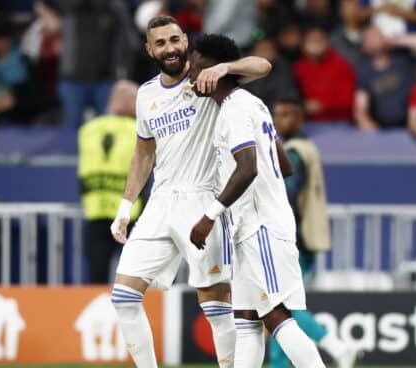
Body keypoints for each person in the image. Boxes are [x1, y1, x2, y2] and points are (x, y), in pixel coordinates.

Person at [109, 16, 271, 368]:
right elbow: (143, 153)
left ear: (186, 40)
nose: (170, 48)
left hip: (203, 198)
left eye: (175, 40)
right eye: (161, 43)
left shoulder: (208, 79)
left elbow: (263, 66)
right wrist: (126, 207)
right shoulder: (146, 95)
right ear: (149, 49)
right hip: (159, 202)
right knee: (123, 296)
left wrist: (225, 66)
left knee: (214, 304)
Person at [187, 33, 326, 368]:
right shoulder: (254, 103)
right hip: (254, 224)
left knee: (275, 316)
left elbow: (247, 168)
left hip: (259, 225)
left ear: (213, 67)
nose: (190, 71)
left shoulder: (234, 108)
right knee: (247, 320)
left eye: (194, 62)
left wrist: (209, 216)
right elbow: (285, 165)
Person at [268, 97, 360, 368]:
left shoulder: (295, 151)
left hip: (294, 238)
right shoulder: (308, 148)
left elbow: (287, 194)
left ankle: (336, 346)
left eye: (285, 115)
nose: (278, 121)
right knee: (282, 304)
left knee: (282, 305)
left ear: (299, 119)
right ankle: (280, 363)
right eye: (276, 114)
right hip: (305, 236)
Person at [78, 80, 144, 284]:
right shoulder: (139, 130)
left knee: (96, 280)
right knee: (136, 279)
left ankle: (100, 315)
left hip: (95, 212)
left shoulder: (88, 129)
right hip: (130, 214)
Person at [40, 0, 139, 128]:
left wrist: (122, 75)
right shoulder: (69, 5)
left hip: (105, 79)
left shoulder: (114, 6)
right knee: (71, 131)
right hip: (72, 79)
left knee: (107, 128)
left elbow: (129, 41)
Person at [354, 26, 416, 130]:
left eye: (379, 35)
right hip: (383, 129)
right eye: (372, 37)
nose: (377, 39)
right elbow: (361, 108)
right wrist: (369, 126)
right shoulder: (364, 71)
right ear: (365, 46)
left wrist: (393, 41)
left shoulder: (402, 60)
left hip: (410, 126)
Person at [293, 26, 356, 122]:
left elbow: (348, 100)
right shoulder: (299, 68)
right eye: (311, 41)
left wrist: (323, 105)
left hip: (339, 122)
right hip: (307, 123)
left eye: (319, 40)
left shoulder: (342, 65)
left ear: (327, 43)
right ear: (303, 46)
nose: (316, 44)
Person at [244, 37, 299, 109]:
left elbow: (287, 96)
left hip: (276, 114)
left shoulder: (283, 69)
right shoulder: (243, 70)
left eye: (269, 49)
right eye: (262, 49)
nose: (266, 53)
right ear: (253, 53)